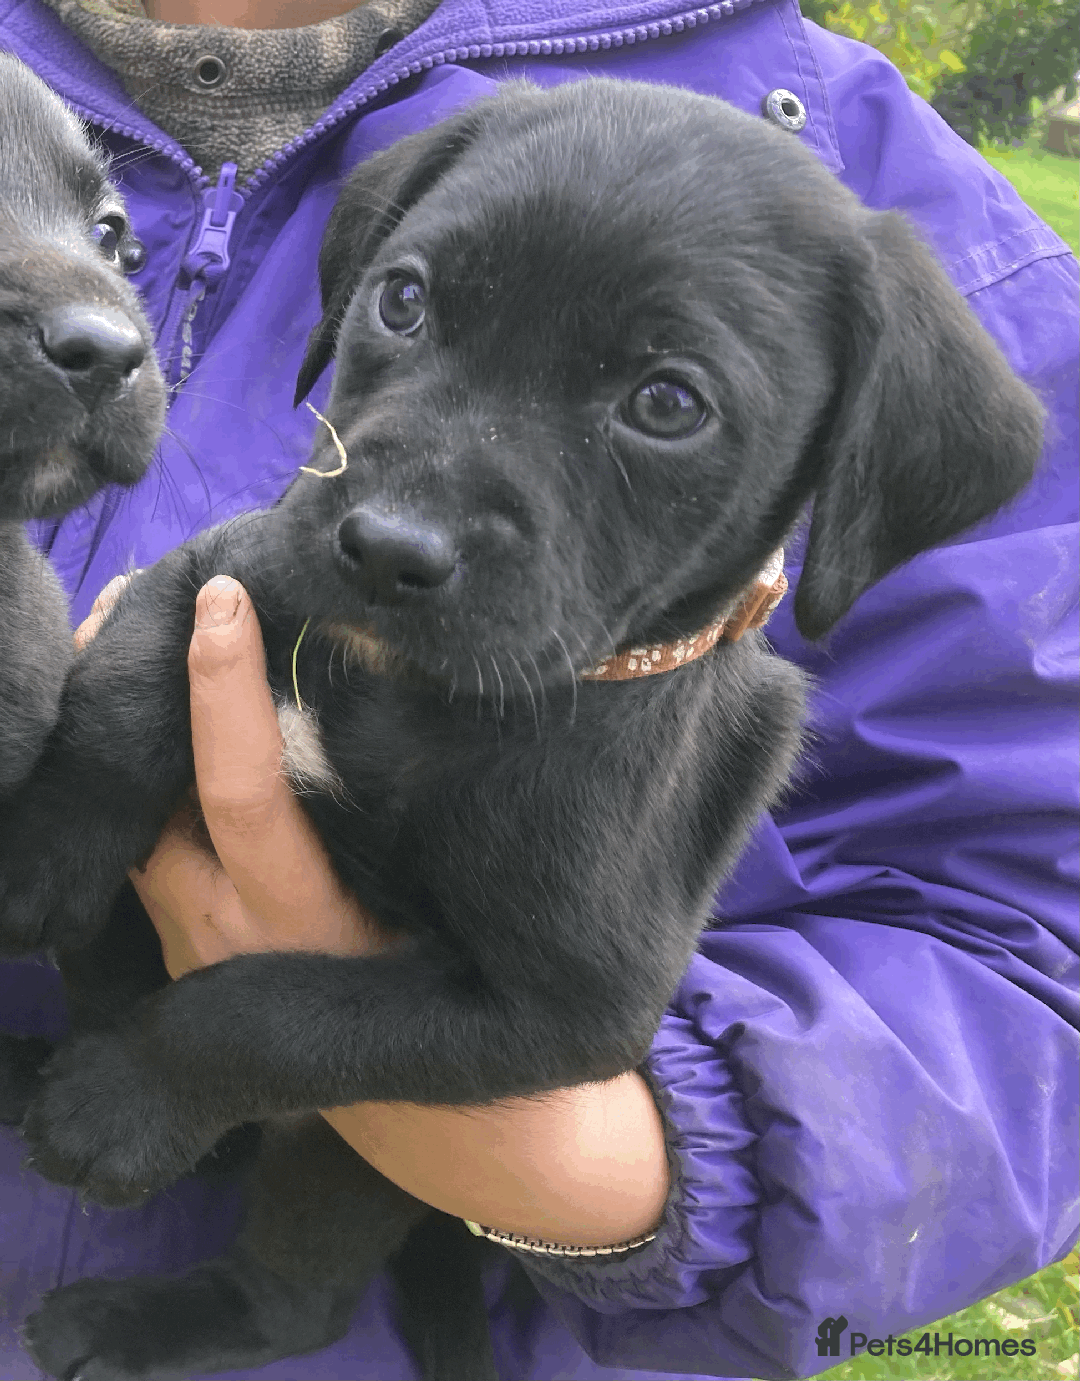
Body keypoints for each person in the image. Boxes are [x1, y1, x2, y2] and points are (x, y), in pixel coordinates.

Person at [0, 0, 1076, 1377]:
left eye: (667, 405)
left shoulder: (875, 193)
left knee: (328, 1205)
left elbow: (582, 1014)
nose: (404, 521)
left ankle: (270, 1299)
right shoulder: (443, 205)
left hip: (400, 1188)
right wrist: (78, 807)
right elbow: (194, 592)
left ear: (849, 479)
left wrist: (200, 1063)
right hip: (105, 1053)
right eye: (409, 307)